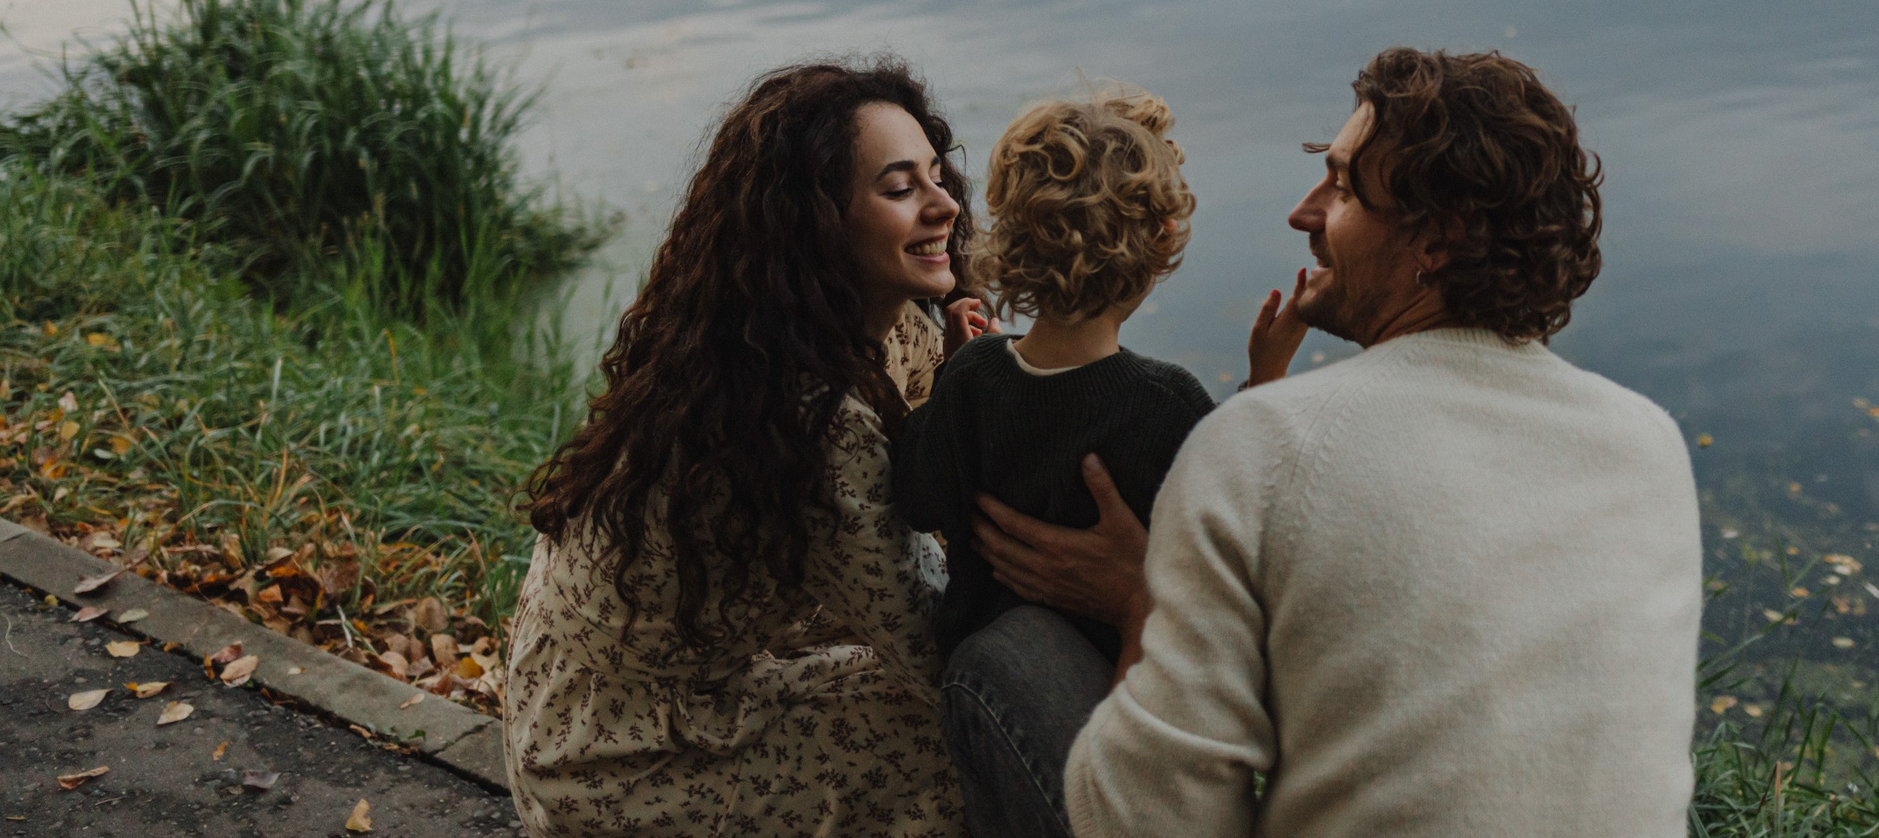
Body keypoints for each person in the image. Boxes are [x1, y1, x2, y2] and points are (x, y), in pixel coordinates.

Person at [957, 48, 1704, 838]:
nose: (1303, 211)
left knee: (1000, 660)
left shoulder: (1266, 442)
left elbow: (1144, 818)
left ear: (1437, 241)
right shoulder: (1646, 441)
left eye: (1343, 187)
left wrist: (1146, 599)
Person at [503, 61, 993, 838]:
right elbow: (936, 648)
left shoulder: (846, 321)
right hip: (610, 755)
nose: (946, 204)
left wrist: (972, 385)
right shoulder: (813, 412)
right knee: (958, 739)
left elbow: (926, 481)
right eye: (901, 189)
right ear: (819, 220)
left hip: (623, 679)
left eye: (937, 174)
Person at [893, 88, 1219, 831]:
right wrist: (1266, 382)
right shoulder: (1166, 405)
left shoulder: (975, 377)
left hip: (984, 697)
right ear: (1162, 241)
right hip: (1112, 704)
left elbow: (916, 495)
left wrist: (944, 379)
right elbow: (1235, 557)